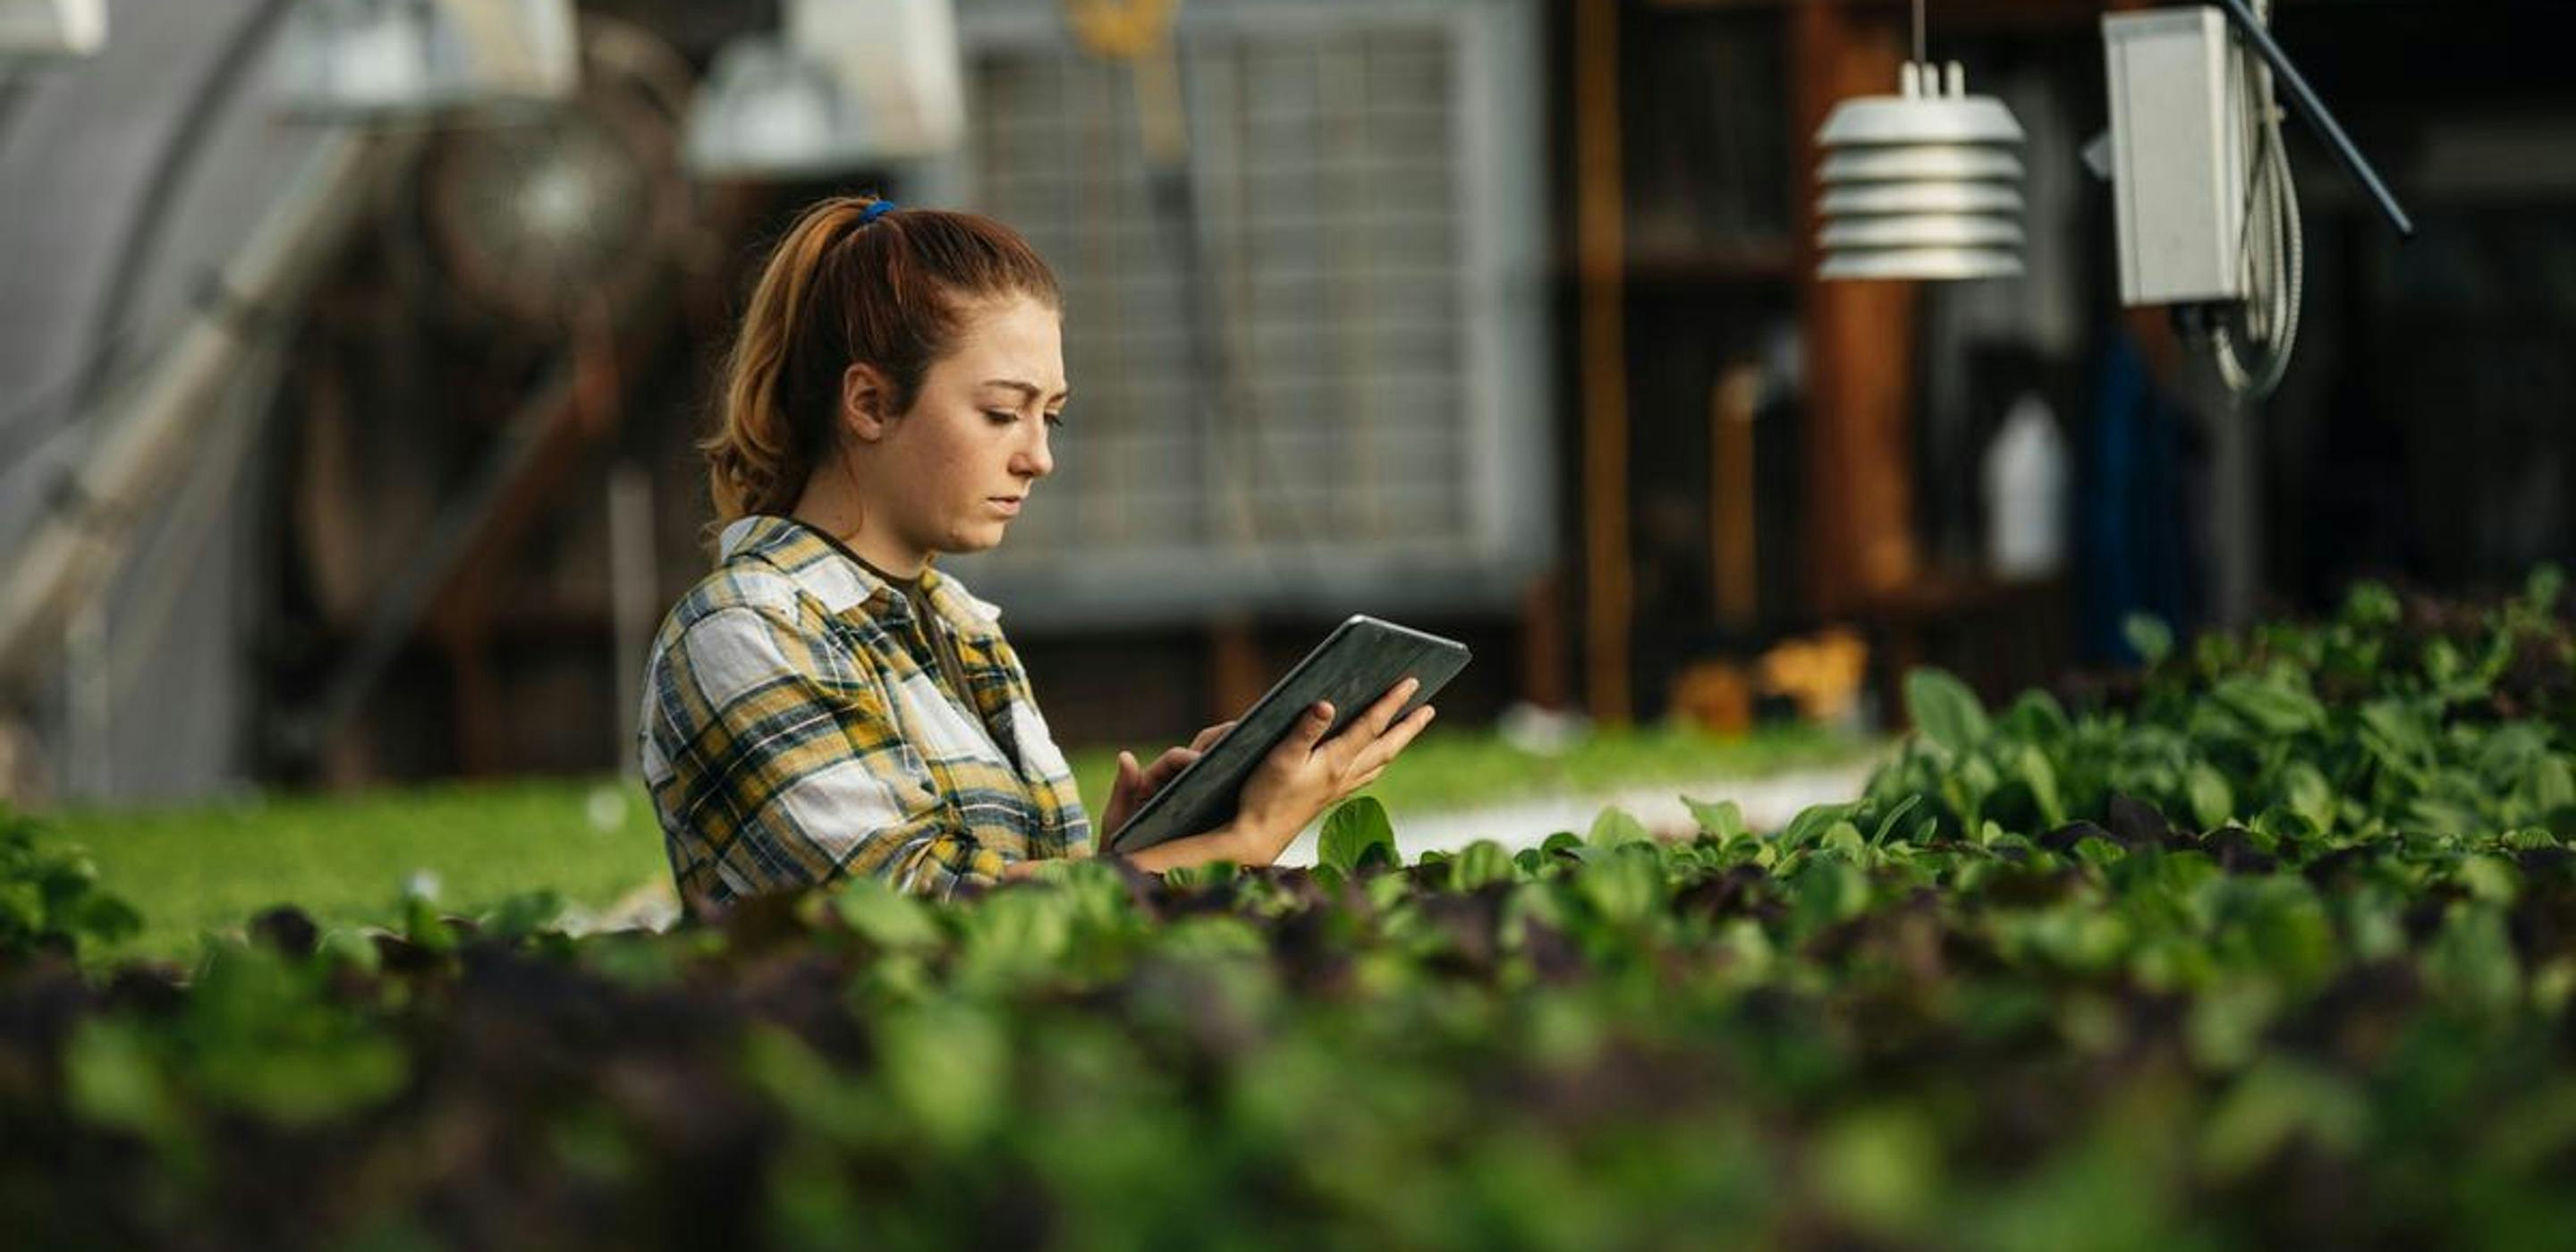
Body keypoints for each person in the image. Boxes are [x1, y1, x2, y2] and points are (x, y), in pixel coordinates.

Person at [638, 195, 1435, 912]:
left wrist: (1134, 852)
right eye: (1000, 413)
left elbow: (1020, 921)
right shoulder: (743, 632)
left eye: (1048, 418)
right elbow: (916, 916)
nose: (1037, 457)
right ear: (870, 404)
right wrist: (1236, 847)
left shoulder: (960, 625)